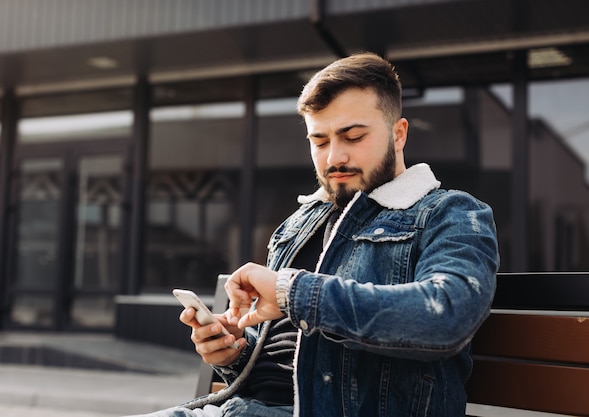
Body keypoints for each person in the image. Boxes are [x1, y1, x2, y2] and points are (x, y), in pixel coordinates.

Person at [131, 52, 498, 417]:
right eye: (319, 142)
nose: (333, 157)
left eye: (352, 136)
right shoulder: (299, 223)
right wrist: (235, 354)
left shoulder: (451, 213)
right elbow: (283, 368)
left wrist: (292, 291)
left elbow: (446, 316)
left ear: (398, 134)